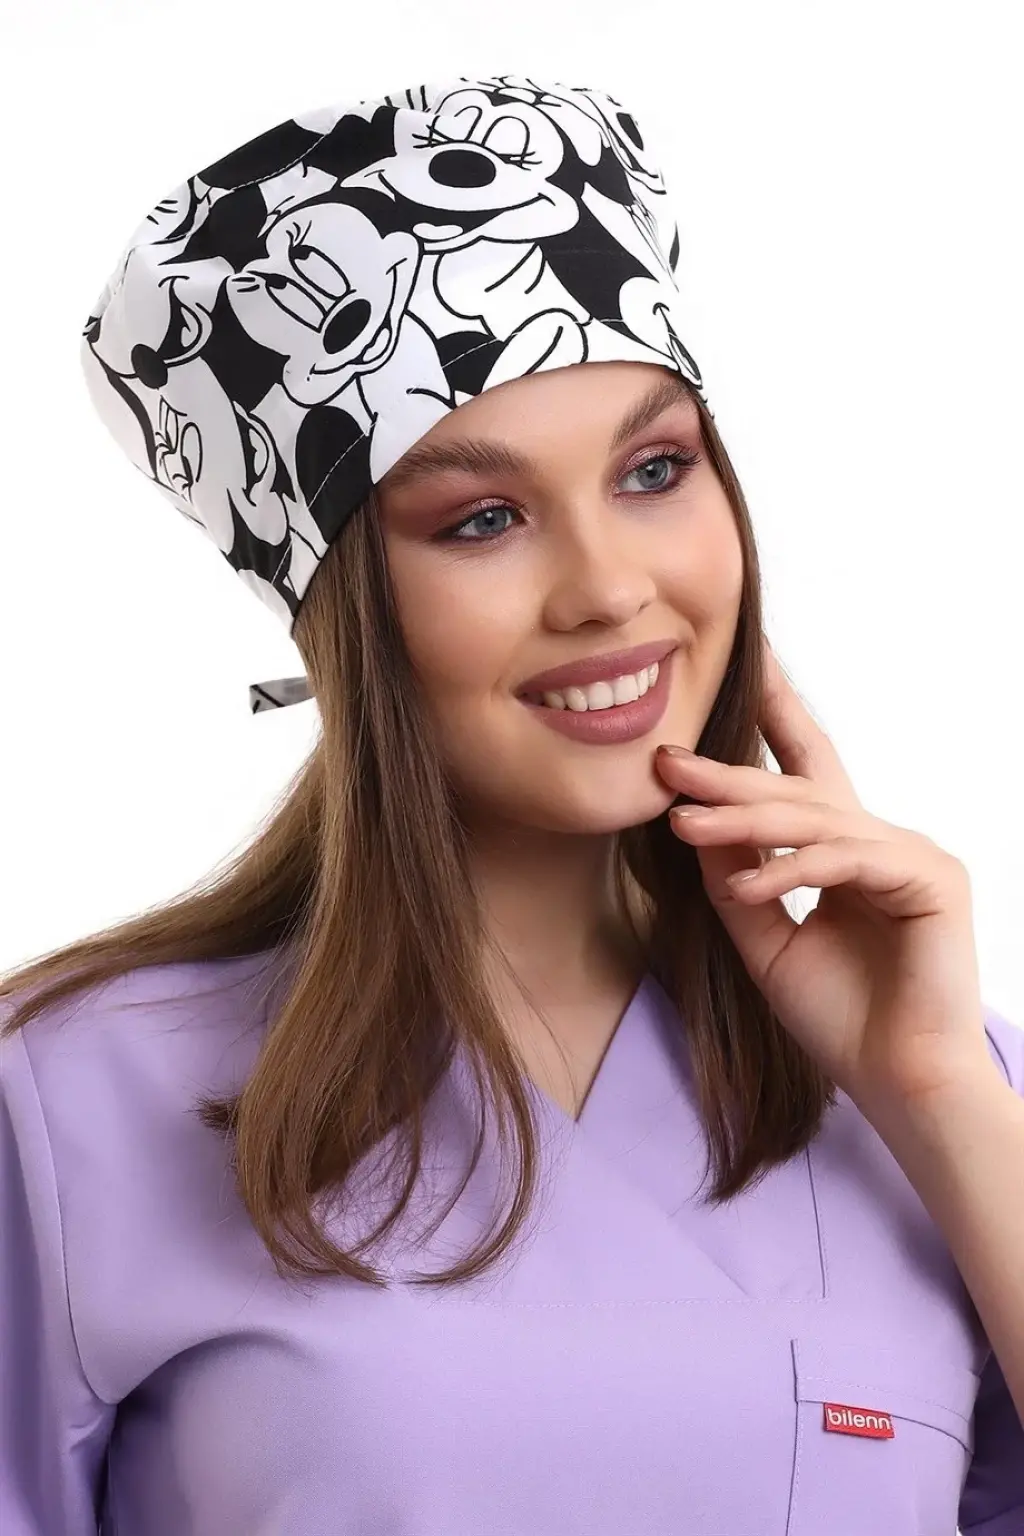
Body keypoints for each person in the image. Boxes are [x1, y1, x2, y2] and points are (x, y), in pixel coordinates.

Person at [2, 73, 1023, 1536]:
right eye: (482, 519)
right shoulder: (73, 1097)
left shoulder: (943, 1078)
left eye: (656, 471)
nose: (610, 589)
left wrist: (935, 1098)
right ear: (341, 613)